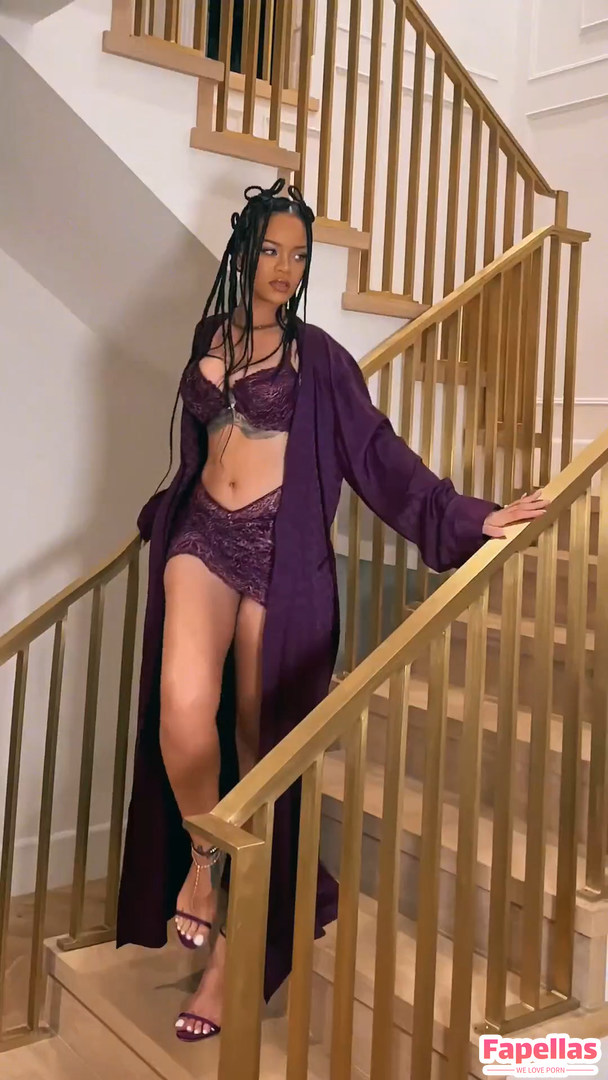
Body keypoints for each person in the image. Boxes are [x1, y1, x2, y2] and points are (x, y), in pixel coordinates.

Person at [116, 180, 548, 1041]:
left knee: (261, 746)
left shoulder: (319, 357)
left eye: (300, 256)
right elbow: (200, 443)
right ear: (244, 254)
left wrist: (471, 517)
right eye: (272, 250)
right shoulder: (211, 335)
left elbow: (378, 455)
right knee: (183, 714)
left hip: (279, 554)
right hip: (204, 537)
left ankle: (234, 954)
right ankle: (203, 857)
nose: (286, 268)